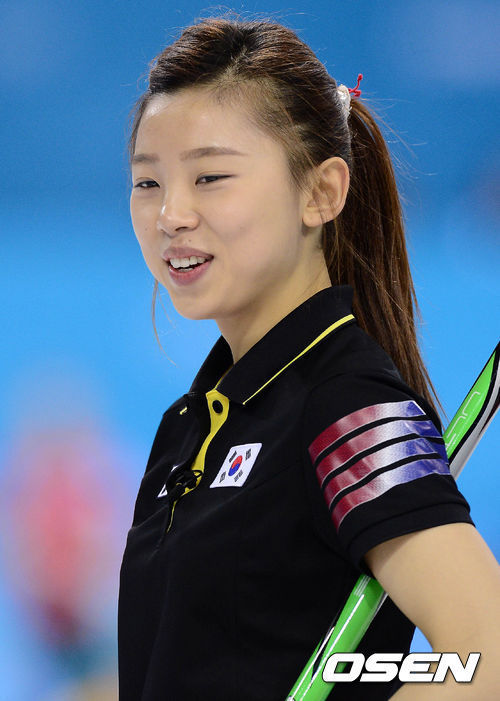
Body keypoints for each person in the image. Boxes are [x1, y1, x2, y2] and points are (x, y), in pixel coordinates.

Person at [118, 15, 500, 701]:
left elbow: (487, 655)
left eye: (210, 177)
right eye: (148, 182)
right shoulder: (187, 428)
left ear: (322, 192)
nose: (170, 214)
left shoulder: (348, 405)